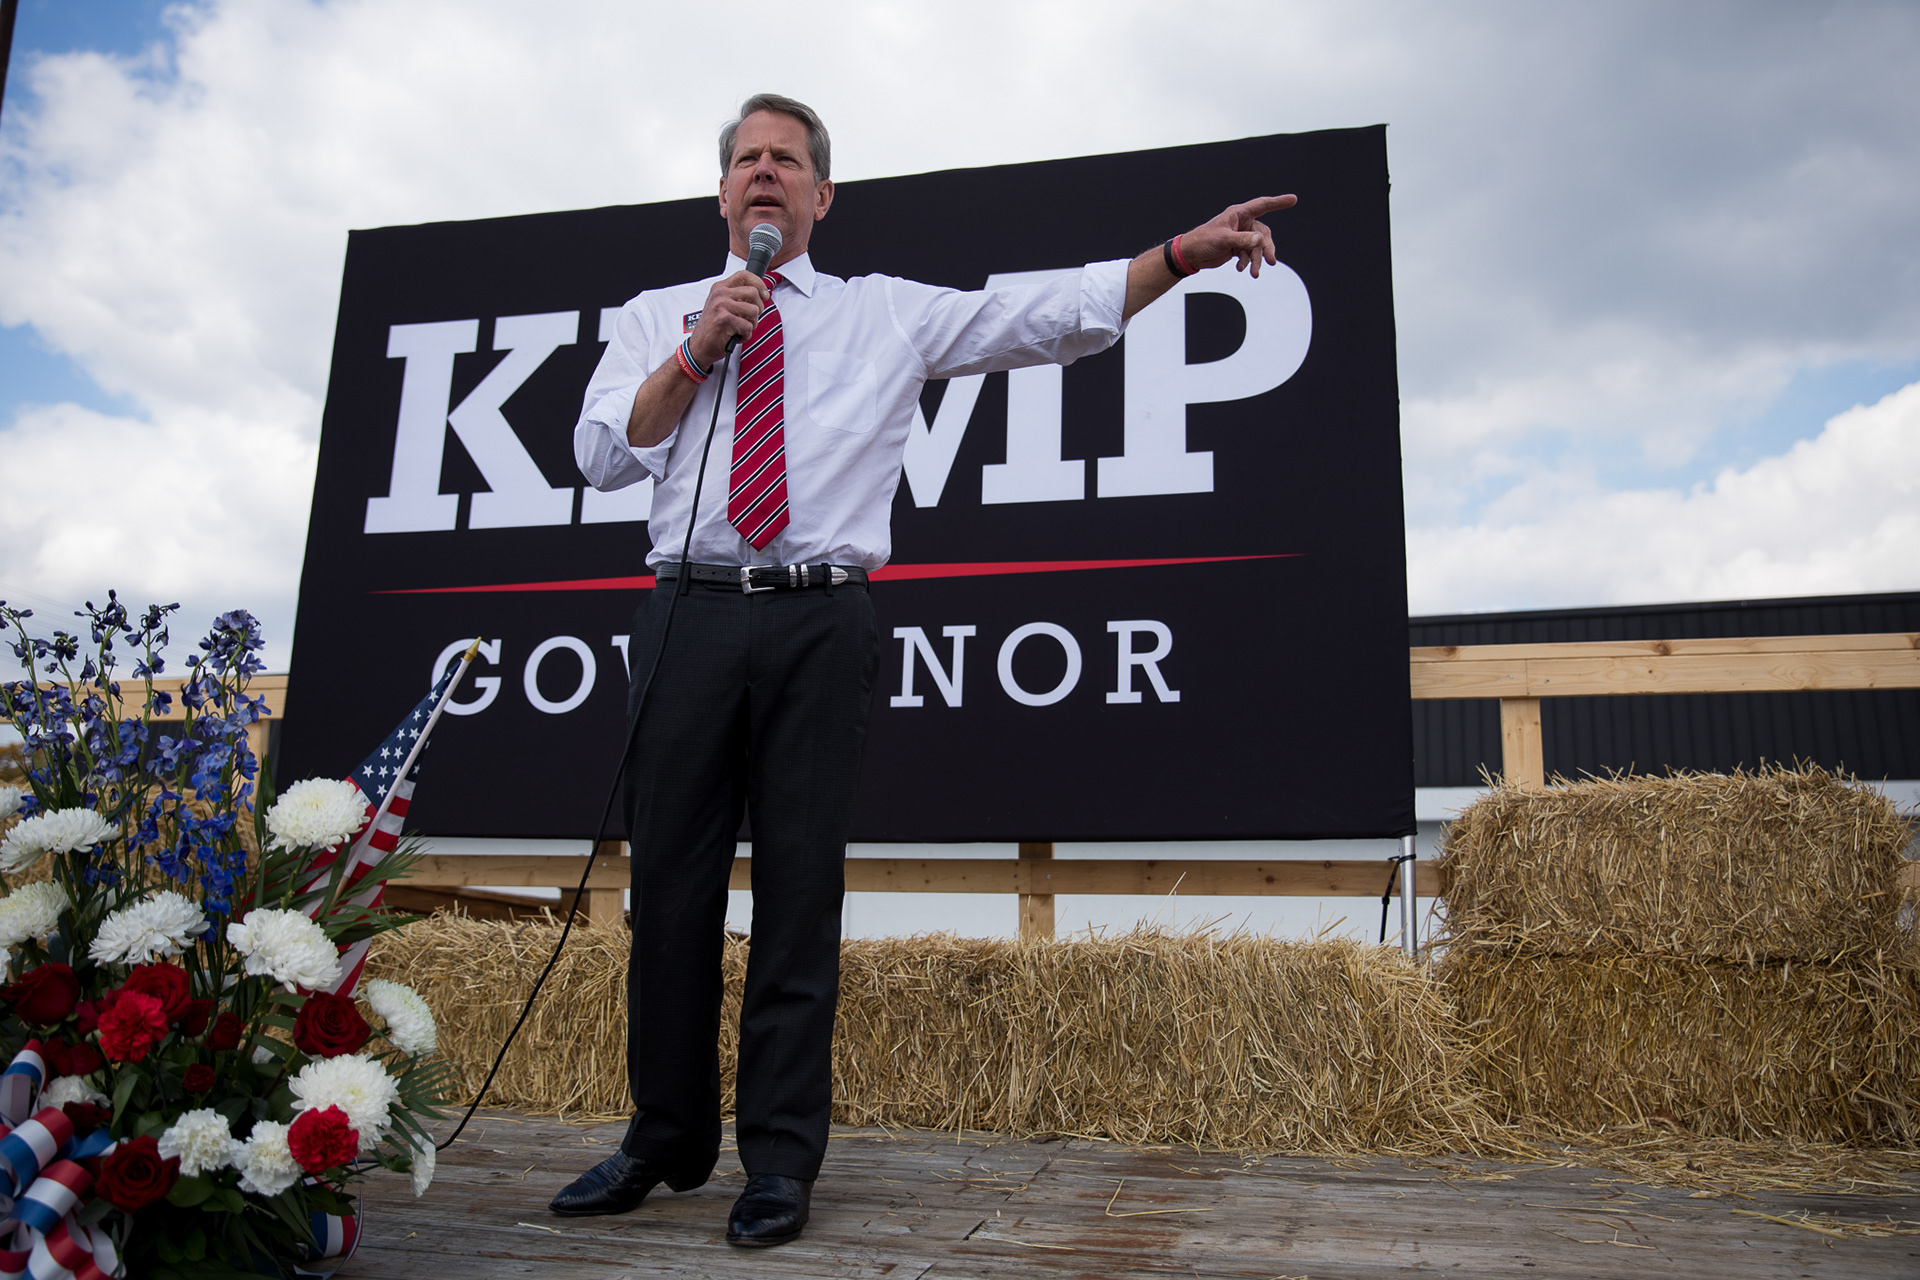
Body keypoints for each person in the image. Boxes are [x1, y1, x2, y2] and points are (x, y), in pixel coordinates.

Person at [555, 92, 1295, 1248]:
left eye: (785, 159)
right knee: (672, 891)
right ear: (723, 190)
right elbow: (602, 452)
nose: (764, 172)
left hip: (820, 617)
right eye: (746, 158)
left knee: (800, 892)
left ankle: (779, 1158)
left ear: (821, 193)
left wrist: (1180, 256)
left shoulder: (883, 312)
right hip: (688, 614)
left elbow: (1044, 317)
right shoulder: (661, 314)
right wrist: (696, 350)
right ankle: (664, 1136)